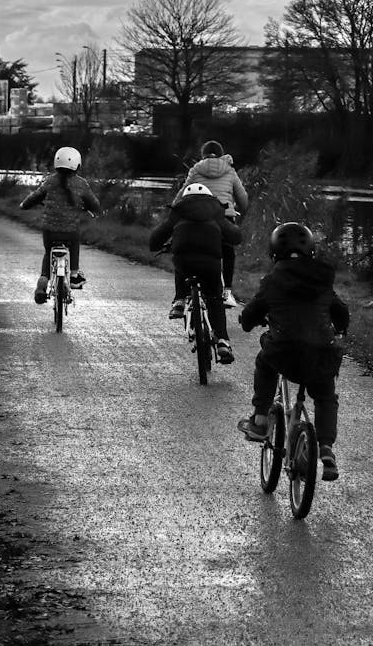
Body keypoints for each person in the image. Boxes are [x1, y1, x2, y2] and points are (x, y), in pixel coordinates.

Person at [236, 221, 350, 482]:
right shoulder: (323, 280)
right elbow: (341, 313)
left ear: (274, 252)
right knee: (325, 395)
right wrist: (340, 330)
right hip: (322, 354)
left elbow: (250, 314)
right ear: (311, 250)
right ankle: (326, 448)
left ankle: (261, 418)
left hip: (285, 353)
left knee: (265, 361)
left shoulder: (273, 280)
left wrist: (247, 323)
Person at [149, 182, 241, 364]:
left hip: (184, 260)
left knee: (181, 264)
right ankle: (222, 340)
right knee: (215, 298)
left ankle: (180, 300)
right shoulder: (215, 210)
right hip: (210, 262)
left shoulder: (179, 210)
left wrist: (157, 245)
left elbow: (157, 238)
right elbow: (235, 236)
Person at [20, 146, 100, 304]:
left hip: (50, 231)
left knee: (49, 252)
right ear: (77, 165)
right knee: (74, 245)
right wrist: (94, 209)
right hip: (70, 232)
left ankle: (42, 284)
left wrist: (24, 205)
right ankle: (74, 274)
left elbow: (36, 197)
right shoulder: (82, 183)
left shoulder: (50, 181)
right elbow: (94, 204)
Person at [181, 140, 248, 308]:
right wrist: (238, 208)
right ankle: (227, 291)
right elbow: (243, 199)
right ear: (221, 154)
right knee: (228, 251)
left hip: (199, 219)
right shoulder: (230, 171)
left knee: (189, 249)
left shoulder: (196, 169)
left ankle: (185, 294)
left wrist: (174, 211)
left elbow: (184, 193)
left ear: (203, 155)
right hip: (224, 218)